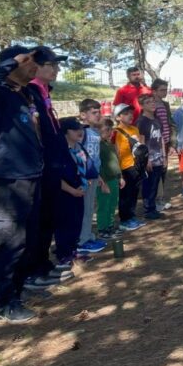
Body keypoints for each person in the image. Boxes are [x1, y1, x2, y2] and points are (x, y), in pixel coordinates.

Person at [0, 47, 43, 323]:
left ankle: (18, 290)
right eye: (28, 62)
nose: (34, 67)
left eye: (35, 62)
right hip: (9, 180)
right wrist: (11, 61)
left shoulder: (24, 94)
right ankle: (6, 303)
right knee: (10, 243)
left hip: (30, 176)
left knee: (26, 240)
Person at [26, 46, 74, 287]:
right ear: (36, 66)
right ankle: (33, 269)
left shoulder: (44, 91)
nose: (56, 69)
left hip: (53, 163)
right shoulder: (30, 91)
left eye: (57, 65)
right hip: (41, 165)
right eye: (51, 65)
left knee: (49, 218)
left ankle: (43, 264)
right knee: (40, 218)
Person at [55, 117, 90, 269]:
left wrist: (83, 184)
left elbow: (83, 167)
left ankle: (73, 251)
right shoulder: (59, 151)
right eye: (75, 129)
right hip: (65, 193)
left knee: (76, 222)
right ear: (66, 132)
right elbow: (55, 177)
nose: (80, 132)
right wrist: (72, 190)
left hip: (79, 191)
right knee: (65, 224)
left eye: (81, 128)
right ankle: (63, 254)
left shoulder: (78, 147)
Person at [76, 99, 107, 255]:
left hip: (93, 175)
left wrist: (99, 175)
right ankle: (81, 241)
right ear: (83, 114)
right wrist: (82, 174)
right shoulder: (81, 132)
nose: (98, 115)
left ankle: (88, 236)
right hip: (84, 177)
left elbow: (95, 157)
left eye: (98, 112)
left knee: (89, 208)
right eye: (94, 112)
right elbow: (77, 153)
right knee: (84, 209)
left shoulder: (95, 132)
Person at [112, 103, 146, 231]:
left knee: (134, 193)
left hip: (136, 166)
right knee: (125, 194)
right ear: (118, 117)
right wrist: (118, 171)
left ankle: (131, 216)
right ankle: (124, 219)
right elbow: (116, 152)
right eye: (126, 114)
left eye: (131, 113)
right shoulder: (116, 132)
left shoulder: (134, 129)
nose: (130, 116)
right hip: (125, 167)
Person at [137, 94, 166, 220]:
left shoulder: (157, 119)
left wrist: (164, 156)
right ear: (142, 106)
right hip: (149, 158)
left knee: (155, 183)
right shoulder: (141, 121)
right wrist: (146, 159)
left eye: (153, 102)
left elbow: (161, 139)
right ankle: (148, 209)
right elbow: (141, 142)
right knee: (148, 184)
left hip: (159, 156)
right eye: (148, 102)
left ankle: (153, 207)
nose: (152, 104)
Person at [96, 118, 124, 240]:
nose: (110, 132)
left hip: (114, 179)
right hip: (104, 181)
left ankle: (110, 225)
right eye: (107, 130)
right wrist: (102, 182)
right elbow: (98, 165)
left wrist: (120, 177)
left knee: (113, 203)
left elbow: (116, 162)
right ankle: (102, 228)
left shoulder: (110, 144)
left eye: (111, 129)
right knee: (104, 205)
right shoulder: (98, 145)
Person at [151, 79, 174, 210]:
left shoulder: (165, 104)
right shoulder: (151, 104)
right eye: (162, 90)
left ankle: (160, 197)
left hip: (165, 141)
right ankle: (154, 200)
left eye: (166, 89)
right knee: (155, 172)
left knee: (163, 171)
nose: (165, 92)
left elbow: (169, 123)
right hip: (155, 144)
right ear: (154, 91)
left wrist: (171, 142)